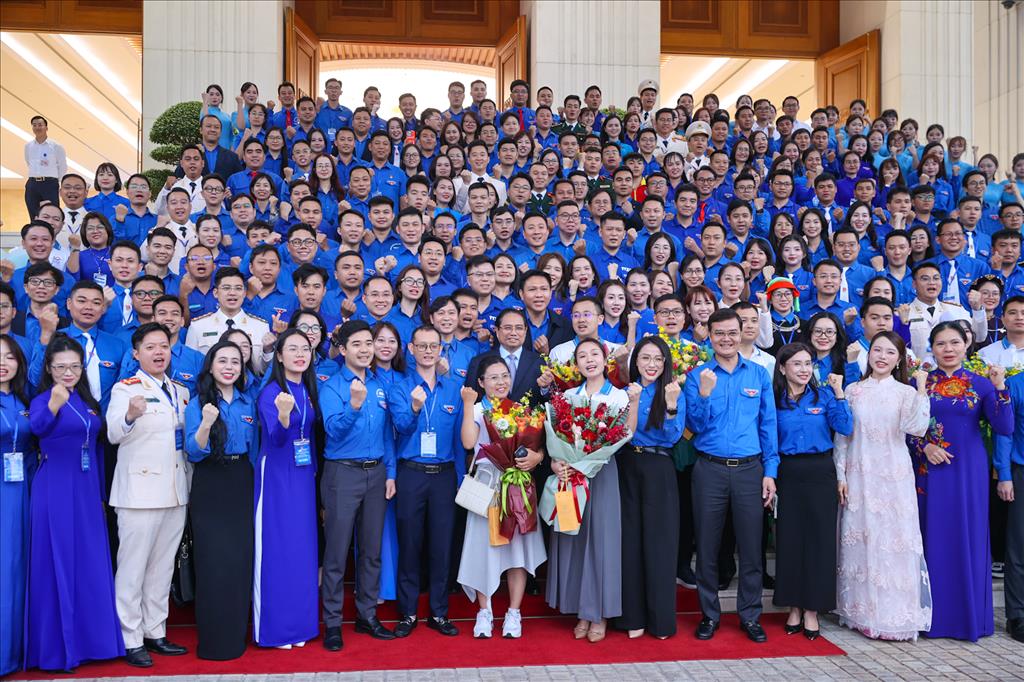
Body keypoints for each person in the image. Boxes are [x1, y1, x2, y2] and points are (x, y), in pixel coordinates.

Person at [26, 334, 123, 672]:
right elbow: (37, 428)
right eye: (60, 367)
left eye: (74, 366)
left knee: (89, 561)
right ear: (49, 369)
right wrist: (54, 403)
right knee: (59, 560)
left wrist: (100, 494)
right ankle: (58, 649)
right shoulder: (42, 399)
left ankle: (94, 642)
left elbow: (96, 447)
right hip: (54, 487)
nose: (68, 373)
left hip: (86, 490)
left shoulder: (86, 400)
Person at [909, 322, 1012, 641]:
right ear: (932, 348)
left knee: (969, 535)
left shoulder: (981, 384)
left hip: (969, 470)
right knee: (932, 535)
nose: (948, 349)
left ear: (967, 344)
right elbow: (906, 428)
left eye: (954, 342)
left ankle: (968, 618)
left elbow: (1004, 426)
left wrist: (1000, 387)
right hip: (928, 470)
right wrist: (925, 447)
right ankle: (932, 618)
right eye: (941, 343)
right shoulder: (920, 382)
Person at [684, 308, 777, 643]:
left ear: (742, 334)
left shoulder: (758, 375)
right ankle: (709, 615)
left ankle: (750, 616)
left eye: (731, 333)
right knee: (707, 546)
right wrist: (705, 393)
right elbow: (694, 426)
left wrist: (771, 471)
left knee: (751, 547)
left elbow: (768, 425)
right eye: (719, 333)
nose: (726, 339)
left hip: (750, 470)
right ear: (709, 336)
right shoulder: (698, 376)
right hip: (709, 469)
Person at [834, 331, 932, 641]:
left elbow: (917, 428)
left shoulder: (905, 392)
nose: (882, 357)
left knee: (894, 540)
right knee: (861, 534)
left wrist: (921, 389)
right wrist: (840, 475)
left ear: (899, 359)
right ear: (869, 353)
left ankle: (894, 613)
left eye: (890, 352)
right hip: (859, 470)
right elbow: (843, 436)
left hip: (894, 474)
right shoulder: (853, 390)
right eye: (877, 350)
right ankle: (861, 611)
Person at [106, 323, 191, 667]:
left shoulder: (180, 390)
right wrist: (130, 415)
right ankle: (130, 638)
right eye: (151, 347)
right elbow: (113, 434)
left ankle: (155, 631)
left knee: (161, 568)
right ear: (136, 353)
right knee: (133, 569)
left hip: (175, 491)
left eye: (164, 346)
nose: (159, 352)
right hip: (139, 494)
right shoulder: (125, 389)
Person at [319, 320, 398, 651]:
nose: (365, 350)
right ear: (342, 349)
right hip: (342, 473)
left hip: (376, 473)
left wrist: (390, 472)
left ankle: (367, 616)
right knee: (337, 553)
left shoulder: (379, 385)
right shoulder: (331, 386)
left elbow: (386, 434)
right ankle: (333, 623)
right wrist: (353, 405)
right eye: (357, 344)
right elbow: (333, 431)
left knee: (371, 551)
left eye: (369, 343)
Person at [457, 356, 546, 639]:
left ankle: (513, 612)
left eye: (505, 376)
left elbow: (538, 447)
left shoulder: (521, 411)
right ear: (481, 382)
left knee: (517, 552)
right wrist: (468, 404)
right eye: (493, 377)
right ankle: (484, 612)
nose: (501, 382)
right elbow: (468, 442)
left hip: (517, 486)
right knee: (483, 550)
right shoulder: (477, 409)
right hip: (487, 486)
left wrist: (537, 457)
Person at [545, 338, 627, 643]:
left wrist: (590, 459)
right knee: (574, 539)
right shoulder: (567, 396)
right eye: (582, 356)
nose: (589, 360)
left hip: (602, 473)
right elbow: (556, 438)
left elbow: (623, 435)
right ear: (575, 364)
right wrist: (556, 462)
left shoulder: (619, 396)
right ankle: (581, 610)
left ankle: (600, 613)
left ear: (605, 361)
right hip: (571, 474)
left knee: (601, 543)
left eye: (595, 354)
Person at [771, 343, 852, 640]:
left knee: (820, 542)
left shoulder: (825, 395)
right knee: (790, 540)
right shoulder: (774, 400)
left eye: (808, 364)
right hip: (787, 472)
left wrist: (840, 393)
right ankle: (793, 606)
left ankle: (812, 610)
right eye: (797, 364)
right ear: (783, 368)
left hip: (820, 472)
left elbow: (845, 426)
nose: (804, 369)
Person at [388, 325, 465, 638]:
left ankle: (439, 613)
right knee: (409, 544)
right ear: (411, 349)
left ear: (441, 349)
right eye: (422, 346)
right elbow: (401, 428)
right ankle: (407, 613)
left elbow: (459, 440)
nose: (428, 351)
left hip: (444, 475)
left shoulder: (455, 389)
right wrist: (415, 408)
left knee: (441, 546)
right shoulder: (399, 388)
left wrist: (460, 478)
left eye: (434, 346)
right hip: (412, 472)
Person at [184, 340, 259, 660]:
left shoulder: (248, 402)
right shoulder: (197, 403)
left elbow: (255, 448)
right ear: (210, 366)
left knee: (239, 561)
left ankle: (235, 637)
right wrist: (205, 423)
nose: (229, 367)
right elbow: (193, 451)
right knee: (213, 562)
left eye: (235, 362)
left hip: (241, 481)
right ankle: (214, 642)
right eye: (222, 361)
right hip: (210, 483)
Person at [253, 329, 321, 649]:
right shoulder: (271, 392)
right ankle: (276, 628)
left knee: (301, 549)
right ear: (279, 356)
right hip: (277, 476)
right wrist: (282, 416)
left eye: (305, 349)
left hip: (303, 475)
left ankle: (301, 626)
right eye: (292, 349)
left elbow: (310, 434)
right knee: (277, 548)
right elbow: (276, 439)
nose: (299, 354)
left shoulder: (308, 388)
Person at [617, 336, 685, 639]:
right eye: (645, 358)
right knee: (629, 542)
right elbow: (622, 434)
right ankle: (632, 617)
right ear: (636, 361)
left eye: (658, 359)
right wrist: (631, 402)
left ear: (666, 362)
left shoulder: (674, 391)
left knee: (660, 545)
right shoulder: (625, 392)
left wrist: (671, 405)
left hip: (659, 468)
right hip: (628, 466)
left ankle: (661, 621)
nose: (651, 364)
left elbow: (672, 437)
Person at [0, 335, 32, 676]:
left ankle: (14, 650)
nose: (2, 363)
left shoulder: (23, 399)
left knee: (17, 566)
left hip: (22, 488)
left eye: (9, 356)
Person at [996, 368, 1024, 643]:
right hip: (1021, 471)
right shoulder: (1015, 384)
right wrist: (1004, 474)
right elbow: (1005, 432)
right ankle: (1017, 615)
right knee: (1019, 547)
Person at [24, 115, 67, 217]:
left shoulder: (56, 146)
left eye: (40, 125)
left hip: (50, 184)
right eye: (34, 125)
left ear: (46, 128)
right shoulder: (28, 146)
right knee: (34, 214)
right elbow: (28, 162)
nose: (37, 127)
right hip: (32, 183)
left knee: (52, 213)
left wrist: (57, 182)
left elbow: (62, 166)